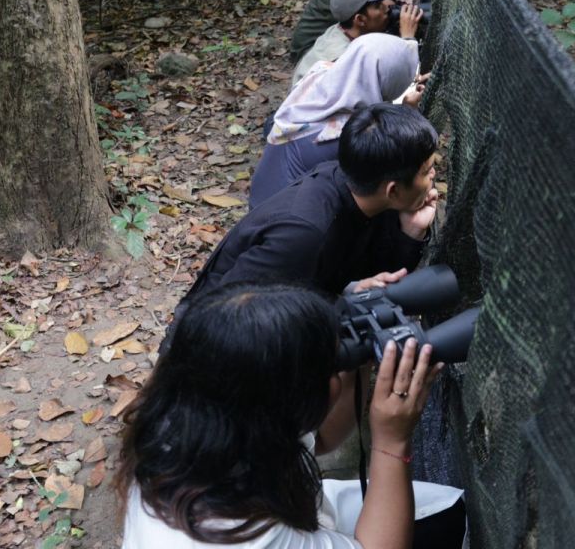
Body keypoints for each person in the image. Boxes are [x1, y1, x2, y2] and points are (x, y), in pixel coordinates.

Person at [119, 284, 464, 549]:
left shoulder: (193, 414)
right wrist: (392, 440)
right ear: (293, 401)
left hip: (289, 507)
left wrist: (356, 353)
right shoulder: (242, 537)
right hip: (264, 528)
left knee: (448, 507)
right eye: (332, 369)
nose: (337, 372)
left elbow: (323, 439)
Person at [161, 103, 440, 349]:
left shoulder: (363, 188)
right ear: (392, 190)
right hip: (210, 345)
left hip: (280, 315)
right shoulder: (303, 232)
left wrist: (410, 233)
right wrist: (341, 303)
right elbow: (230, 316)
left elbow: (377, 268)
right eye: (427, 171)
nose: (434, 176)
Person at [253, 34, 425, 208]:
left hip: (261, 200)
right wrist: (407, 113)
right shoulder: (354, 131)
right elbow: (400, 161)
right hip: (288, 221)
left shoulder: (321, 73)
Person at [292, 0, 424, 87]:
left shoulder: (341, 29)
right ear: (360, 19)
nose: (386, 7)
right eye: (378, 6)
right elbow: (394, 88)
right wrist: (408, 38)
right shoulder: (344, 60)